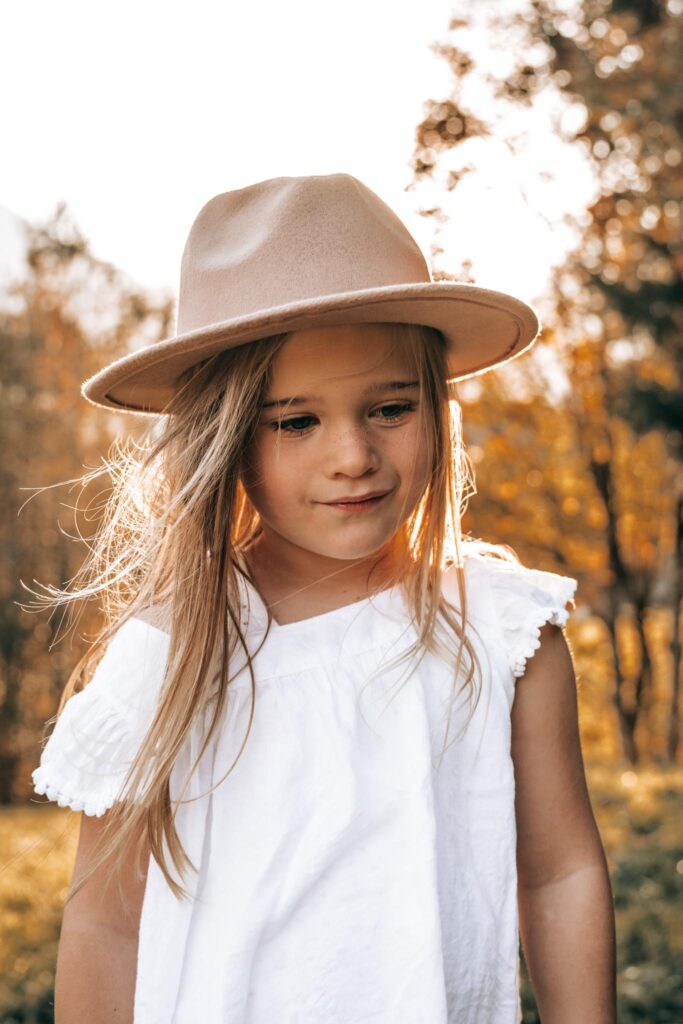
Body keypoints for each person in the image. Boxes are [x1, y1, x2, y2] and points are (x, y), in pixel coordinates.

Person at [30, 173, 616, 1023]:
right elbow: (108, 924)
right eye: (294, 421)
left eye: (389, 407)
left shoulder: (501, 630)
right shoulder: (168, 659)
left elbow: (558, 869)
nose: (352, 455)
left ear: (438, 410)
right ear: (225, 441)